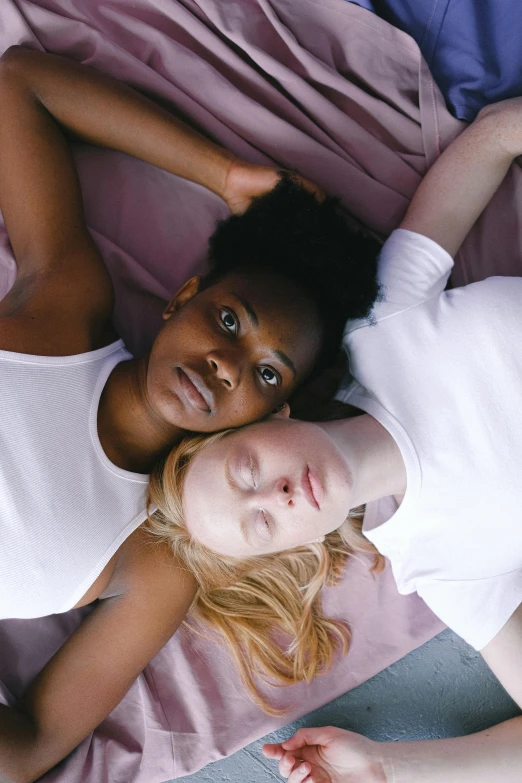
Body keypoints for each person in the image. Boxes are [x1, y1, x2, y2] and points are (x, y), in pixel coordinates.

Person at [0, 45, 382, 782]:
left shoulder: (158, 563)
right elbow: (21, 84)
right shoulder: (65, 309)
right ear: (182, 298)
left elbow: (30, 746)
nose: (226, 364)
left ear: (275, 412)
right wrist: (225, 176)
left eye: (265, 371)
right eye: (231, 321)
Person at [152, 96, 522, 781]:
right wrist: (385, 762)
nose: (277, 493)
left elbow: (497, 136)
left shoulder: (385, 321)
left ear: (274, 416)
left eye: (246, 469)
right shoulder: (441, 566)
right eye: (263, 522)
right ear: (301, 545)